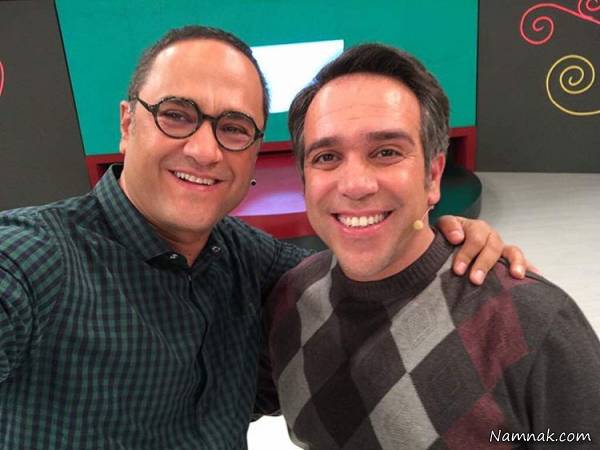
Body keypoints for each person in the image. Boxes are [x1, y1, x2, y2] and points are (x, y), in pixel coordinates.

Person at [0, 26, 529, 449]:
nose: (204, 151)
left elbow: (363, 275)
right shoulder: (33, 259)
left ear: (254, 150)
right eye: (176, 116)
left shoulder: (251, 262)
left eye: (233, 127)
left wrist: (442, 242)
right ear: (127, 123)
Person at [263, 43, 600, 449]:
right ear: (304, 181)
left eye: (386, 152)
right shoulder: (289, 301)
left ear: (434, 174)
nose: (355, 185)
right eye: (327, 157)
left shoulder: (534, 325)